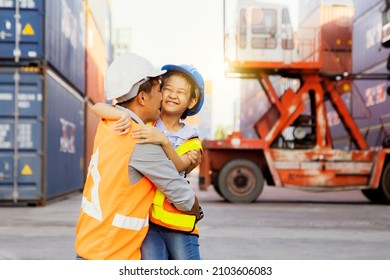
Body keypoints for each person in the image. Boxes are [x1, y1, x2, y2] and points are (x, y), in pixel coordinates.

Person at [74, 53, 201, 260]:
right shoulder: (140, 139)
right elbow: (183, 198)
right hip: (112, 255)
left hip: (89, 246)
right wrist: (198, 210)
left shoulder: (108, 123)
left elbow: (102, 108)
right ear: (142, 97)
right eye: (160, 89)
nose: (163, 97)